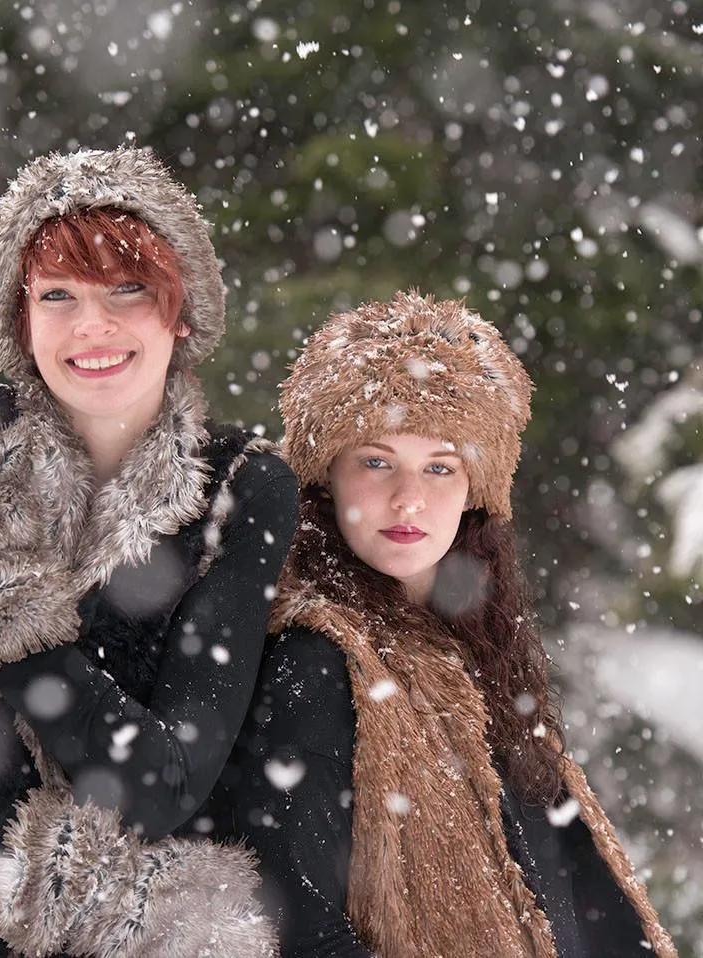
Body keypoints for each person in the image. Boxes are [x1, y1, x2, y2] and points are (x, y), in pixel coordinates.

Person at [0, 147, 297, 958]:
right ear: (21, 320)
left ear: (182, 313)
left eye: (128, 290)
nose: (92, 327)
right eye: (57, 296)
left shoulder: (242, 490)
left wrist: (5, 628)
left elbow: (162, 785)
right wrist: (43, 887)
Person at [234, 291, 677, 957]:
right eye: (376, 460)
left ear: (476, 489)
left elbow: (578, 897)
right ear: (326, 477)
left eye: (440, 466)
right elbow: (299, 927)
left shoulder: (481, 651)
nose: (408, 497)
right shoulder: (313, 659)